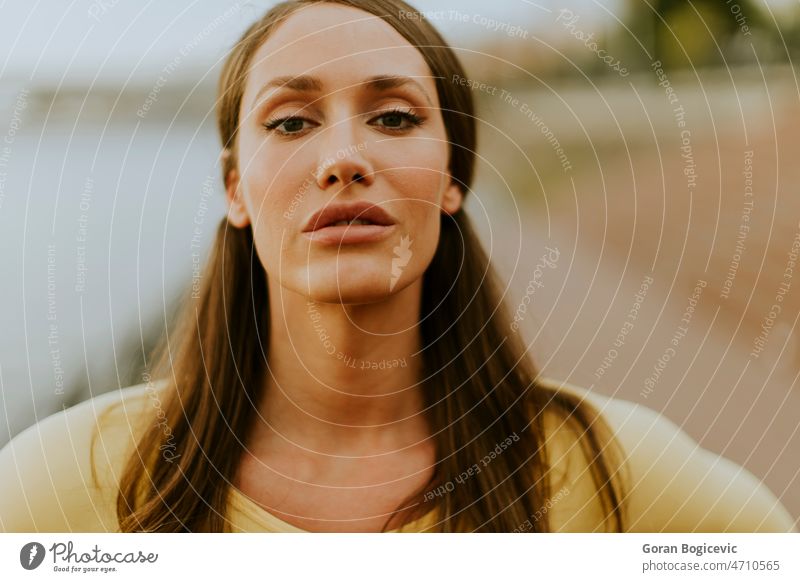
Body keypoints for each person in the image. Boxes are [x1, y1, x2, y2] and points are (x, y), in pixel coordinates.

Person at [0, 0, 795, 534]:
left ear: (453, 176)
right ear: (235, 187)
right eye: (289, 121)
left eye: (393, 117)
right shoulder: (66, 483)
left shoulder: (608, 470)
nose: (343, 158)